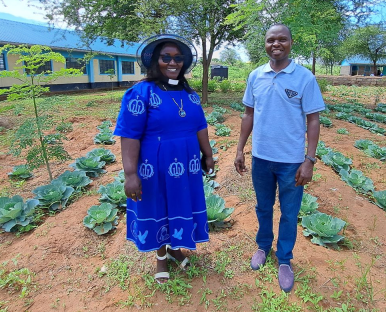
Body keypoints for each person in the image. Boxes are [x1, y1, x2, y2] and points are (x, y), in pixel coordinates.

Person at [114, 34, 215, 284]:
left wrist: (208, 155)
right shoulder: (140, 93)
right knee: (159, 206)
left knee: (179, 204)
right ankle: (161, 255)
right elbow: (129, 135)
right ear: (155, 61)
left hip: (187, 165)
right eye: (166, 57)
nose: (173, 62)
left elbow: (200, 125)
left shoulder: (189, 94)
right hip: (154, 166)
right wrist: (130, 174)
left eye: (178, 57)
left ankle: (174, 248)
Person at [234, 24, 325, 293]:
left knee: (289, 212)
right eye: (270, 40)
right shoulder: (255, 76)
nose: (276, 44)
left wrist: (309, 159)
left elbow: (314, 119)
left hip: (292, 162)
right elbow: (248, 114)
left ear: (291, 43)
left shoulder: (304, 78)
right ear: (264, 44)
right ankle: (263, 247)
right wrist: (240, 149)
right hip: (262, 158)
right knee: (263, 208)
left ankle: (284, 259)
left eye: (281, 39)